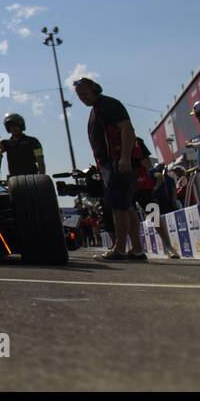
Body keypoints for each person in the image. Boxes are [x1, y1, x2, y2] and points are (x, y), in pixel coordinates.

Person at [73, 77, 146, 262]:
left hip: (117, 161)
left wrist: (124, 158)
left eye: (84, 93)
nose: (82, 97)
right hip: (109, 163)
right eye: (79, 95)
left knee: (118, 207)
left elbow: (127, 128)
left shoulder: (108, 104)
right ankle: (137, 250)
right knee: (126, 206)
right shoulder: (97, 109)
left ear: (95, 89)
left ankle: (120, 250)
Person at [143, 162, 181, 259]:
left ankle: (168, 246)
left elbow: (159, 176)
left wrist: (154, 188)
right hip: (154, 198)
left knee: (156, 217)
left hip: (154, 197)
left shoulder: (151, 172)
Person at [0, 112, 45, 177]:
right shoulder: (6, 143)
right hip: (14, 179)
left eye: (15, 126)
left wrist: (41, 177)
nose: (13, 128)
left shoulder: (33, 141)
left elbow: (40, 160)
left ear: (21, 126)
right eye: (11, 126)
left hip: (32, 178)